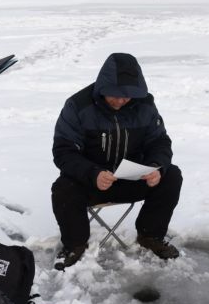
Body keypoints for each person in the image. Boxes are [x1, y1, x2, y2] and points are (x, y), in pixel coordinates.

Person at [51, 53, 183, 269]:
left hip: (133, 179)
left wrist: (155, 167)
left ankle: (150, 236)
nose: (121, 100)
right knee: (63, 188)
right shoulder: (78, 106)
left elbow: (159, 142)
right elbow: (63, 151)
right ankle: (74, 244)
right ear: (103, 87)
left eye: (128, 96)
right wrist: (93, 173)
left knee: (172, 175)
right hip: (92, 182)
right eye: (116, 95)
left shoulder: (145, 105)